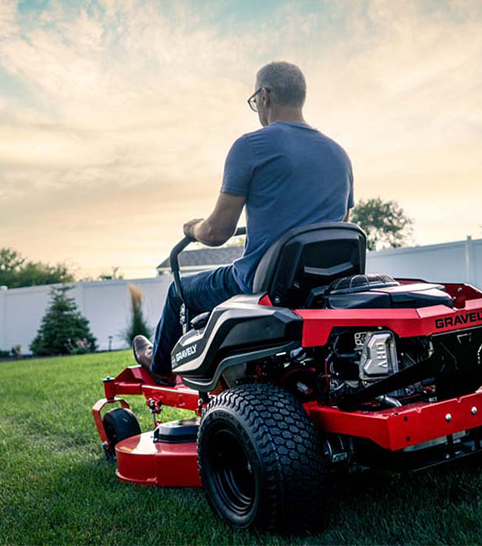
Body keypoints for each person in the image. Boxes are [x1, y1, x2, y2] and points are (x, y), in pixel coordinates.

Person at [133, 61, 354, 385]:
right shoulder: (339, 154)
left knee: (180, 292)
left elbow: (216, 232)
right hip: (324, 287)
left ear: (264, 96)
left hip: (261, 284)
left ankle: (162, 367)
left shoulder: (252, 146)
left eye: (255, 102)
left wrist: (191, 227)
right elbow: (337, 226)